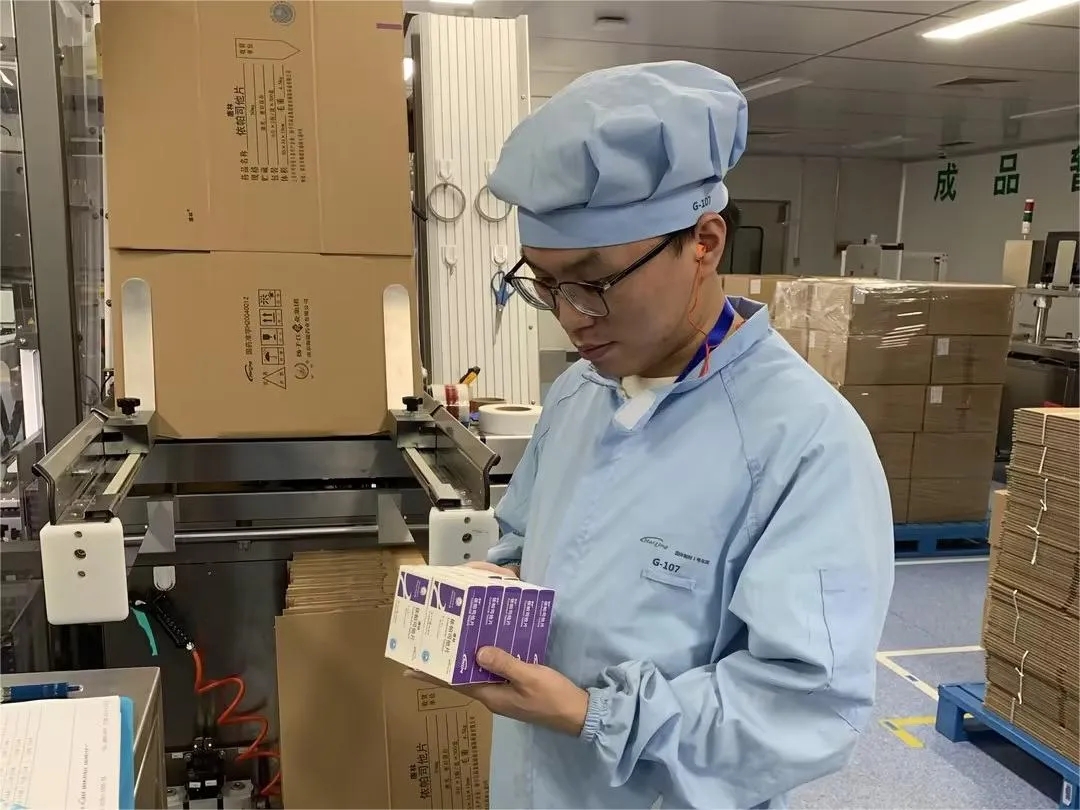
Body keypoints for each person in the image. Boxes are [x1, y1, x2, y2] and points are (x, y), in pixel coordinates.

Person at [451, 61, 895, 809]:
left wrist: (596, 716)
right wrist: (489, 591)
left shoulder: (804, 442)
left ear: (705, 242)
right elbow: (524, 541)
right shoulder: (579, 393)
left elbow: (807, 706)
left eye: (594, 282)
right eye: (545, 285)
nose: (571, 318)